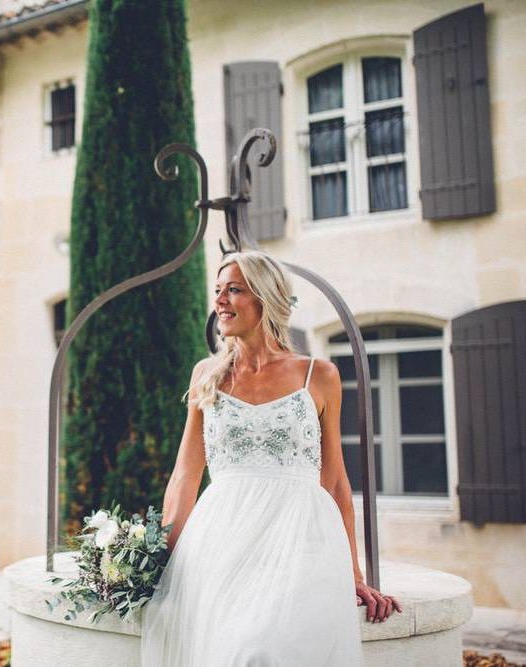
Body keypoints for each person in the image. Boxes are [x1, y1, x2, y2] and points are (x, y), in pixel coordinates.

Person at [140, 249, 402, 666]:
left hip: (300, 535)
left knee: (263, 648)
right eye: (218, 290)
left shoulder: (319, 375)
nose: (220, 300)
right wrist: (161, 562)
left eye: (234, 290)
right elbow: (186, 475)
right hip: (221, 536)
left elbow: (334, 480)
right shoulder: (206, 375)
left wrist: (352, 572)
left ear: (266, 298)